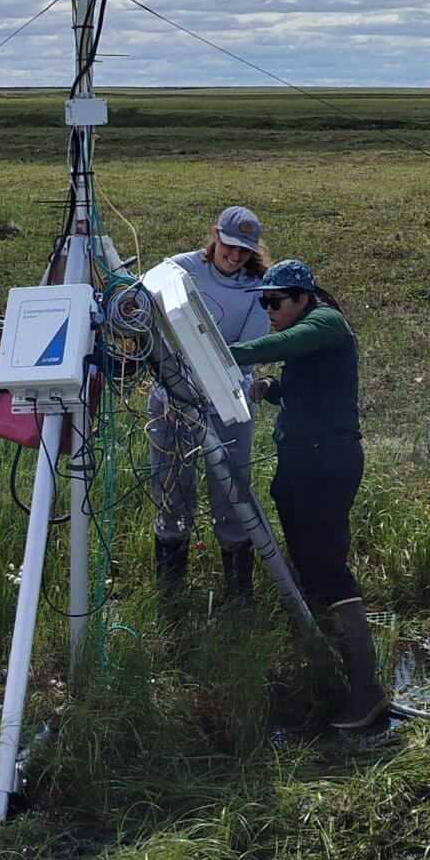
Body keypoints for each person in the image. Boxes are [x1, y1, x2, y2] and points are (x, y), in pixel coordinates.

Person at [226, 259, 388, 730]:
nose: (268, 309)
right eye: (263, 301)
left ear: (302, 297)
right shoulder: (308, 331)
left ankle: (367, 691)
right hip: (301, 463)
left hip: (326, 465)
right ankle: (331, 668)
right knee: (309, 566)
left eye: (275, 301)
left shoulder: (324, 321)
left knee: (328, 569)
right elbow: (307, 382)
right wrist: (273, 388)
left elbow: (284, 344)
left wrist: (225, 352)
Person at [149, 205, 270, 602]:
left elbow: (247, 350)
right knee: (172, 488)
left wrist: (212, 369)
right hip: (174, 397)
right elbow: (145, 300)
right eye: (230, 246)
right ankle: (171, 593)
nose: (235, 257)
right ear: (215, 234)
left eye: (245, 251)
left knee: (233, 491)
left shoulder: (258, 288)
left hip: (228, 401)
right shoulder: (179, 269)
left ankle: (239, 595)